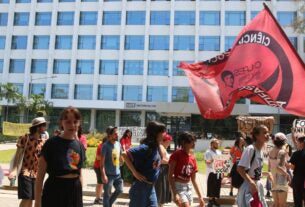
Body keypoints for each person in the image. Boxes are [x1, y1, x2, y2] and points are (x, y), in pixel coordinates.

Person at [34, 107, 86, 207]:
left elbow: (79, 173)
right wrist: (37, 202)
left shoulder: (79, 145)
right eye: (68, 122)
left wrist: (80, 196)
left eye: (75, 121)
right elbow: (40, 176)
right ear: (61, 122)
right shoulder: (51, 144)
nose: (72, 125)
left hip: (75, 192)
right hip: (55, 191)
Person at [122, 121, 166, 206]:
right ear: (155, 134)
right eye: (162, 132)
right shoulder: (145, 148)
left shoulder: (156, 147)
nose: (163, 135)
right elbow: (124, 154)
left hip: (151, 188)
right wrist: (135, 172)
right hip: (140, 188)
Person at [8, 117, 47, 207]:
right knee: (27, 198)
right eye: (44, 125)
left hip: (36, 174)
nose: (45, 127)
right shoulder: (25, 138)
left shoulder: (43, 141)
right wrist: (14, 170)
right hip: (24, 172)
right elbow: (18, 155)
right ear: (38, 127)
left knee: (32, 199)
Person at [236, 125, 270, 207]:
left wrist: (266, 173)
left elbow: (255, 170)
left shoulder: (261, 150)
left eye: (268, 132)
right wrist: (251, 182)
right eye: (265, 133)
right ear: (256, 135)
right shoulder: (250, 149)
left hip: (257, 186)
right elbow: (240, 168)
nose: (268, 134)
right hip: (249, 187)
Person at [168, 132, 205, 207]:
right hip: (178, 186)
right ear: (183, 142)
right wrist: (175, 193)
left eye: (194, 141)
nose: (194, 143)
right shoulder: (176, 154)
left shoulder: (193, 158)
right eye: (191, 141)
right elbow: (170, 175)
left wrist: (200, 197)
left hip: (188, 187)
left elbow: (194, 180)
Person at [100, 126, 123, 207]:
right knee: (107, 194)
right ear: (109, 135)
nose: (118, 135)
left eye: (118, 133)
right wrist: (103, 175)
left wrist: (121, 160)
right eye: (115, 133)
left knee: (120, 190)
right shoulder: (105, 146)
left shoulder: (118, 144)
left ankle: (108, 204)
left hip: (118, 174)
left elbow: (121, 156)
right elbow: (101, 164)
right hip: (108, 175)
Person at [268, 132, 290, 207]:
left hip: (273, 180)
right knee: (282, 205)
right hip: (281, 180)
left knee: (276, 204)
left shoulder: (271, 151)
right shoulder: (282, 152)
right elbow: (279, 167)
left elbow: (270, 167)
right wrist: (287, 175)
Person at [155, 132, 172, 207]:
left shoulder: (162, 147)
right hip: (162, 171)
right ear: (164, 141)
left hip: (163, 171)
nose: (169, 144)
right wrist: (170, 162)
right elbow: (161, 160)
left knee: (161, 192)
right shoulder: (161, 147)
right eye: (168, 142)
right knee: (160, 191)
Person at [205, 138, 222, 207]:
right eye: (216, 143)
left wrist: (222, 172)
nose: (218, 144)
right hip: (211, 172)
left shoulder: (219, 152)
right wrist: (214, 159)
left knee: (217, 186)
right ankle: (210, 201)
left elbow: (221, 162)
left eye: (218, 143)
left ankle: (214, 200)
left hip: (218, 171)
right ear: (212, 144)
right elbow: (207, 162)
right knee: (211, 186)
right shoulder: (208, 152)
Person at [289, 135, 305, 207]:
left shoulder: (296, 154)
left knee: (298, 201)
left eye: (298, 142)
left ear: (302, 143)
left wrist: (287, 165)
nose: (297, 143)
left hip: (298, 179)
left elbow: (292, 167)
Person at [93, 137, 107, 205]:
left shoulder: (104, 146)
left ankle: (99, 197)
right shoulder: (101, 146)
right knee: (100, 183)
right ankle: (97, 199)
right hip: (98, 167)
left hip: (101, 167)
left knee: (101, 183)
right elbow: (98, 157)